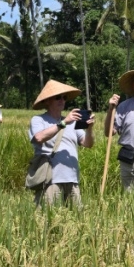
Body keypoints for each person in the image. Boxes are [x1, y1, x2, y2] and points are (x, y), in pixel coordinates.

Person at [28, 79, 93, 208]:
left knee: (76, 218)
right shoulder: (38, 120)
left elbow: (87, 144)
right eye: (58, 97)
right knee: (48, 217)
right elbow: (39, 137)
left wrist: (90, 128)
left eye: (64, 97)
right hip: (50, 179)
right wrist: (63, 123)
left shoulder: (72, 122)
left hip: (72, 178)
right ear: (47, 101)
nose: (62, 100)